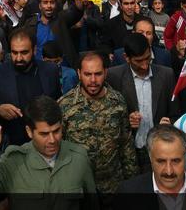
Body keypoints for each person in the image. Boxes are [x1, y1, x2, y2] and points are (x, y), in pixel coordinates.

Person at [0, 95, 97, 206]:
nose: (52, 140)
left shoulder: (79, 157)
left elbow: (91, 204)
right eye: (44, 134)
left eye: (56, 131)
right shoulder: (13, 162)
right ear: (29, 132)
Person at [59, 51, 138, 193]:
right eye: (88, 74)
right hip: (79, 186)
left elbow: (126, 144)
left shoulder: (118, 101)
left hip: (113, 185)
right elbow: (59, 147)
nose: (93, 80)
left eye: (98, 74)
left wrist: (132, 182)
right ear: (79, 73)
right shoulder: (65, 105)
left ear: (105, 73)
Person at [107, 34, 178, 171]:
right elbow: (109, 118)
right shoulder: (113, 77)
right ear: (126, 58)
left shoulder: (167, 75)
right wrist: (127, 121)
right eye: (138, 61)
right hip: (129, 153)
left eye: (147, 58)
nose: (145, 65)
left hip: (159, 150)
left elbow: (176, 114)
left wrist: (169, 124)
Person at [0, 27, 60, 145]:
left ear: (34, 50)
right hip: (10, 145)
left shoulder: (50, 71)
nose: (19, 58)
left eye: (24, 52)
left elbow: (58, 105)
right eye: (14, 53)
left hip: (45, 143)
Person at [116, 124, 186, 208]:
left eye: (176, 161)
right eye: (161, 161)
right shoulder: (128, 193)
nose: (169, 171)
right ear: (150, 158)